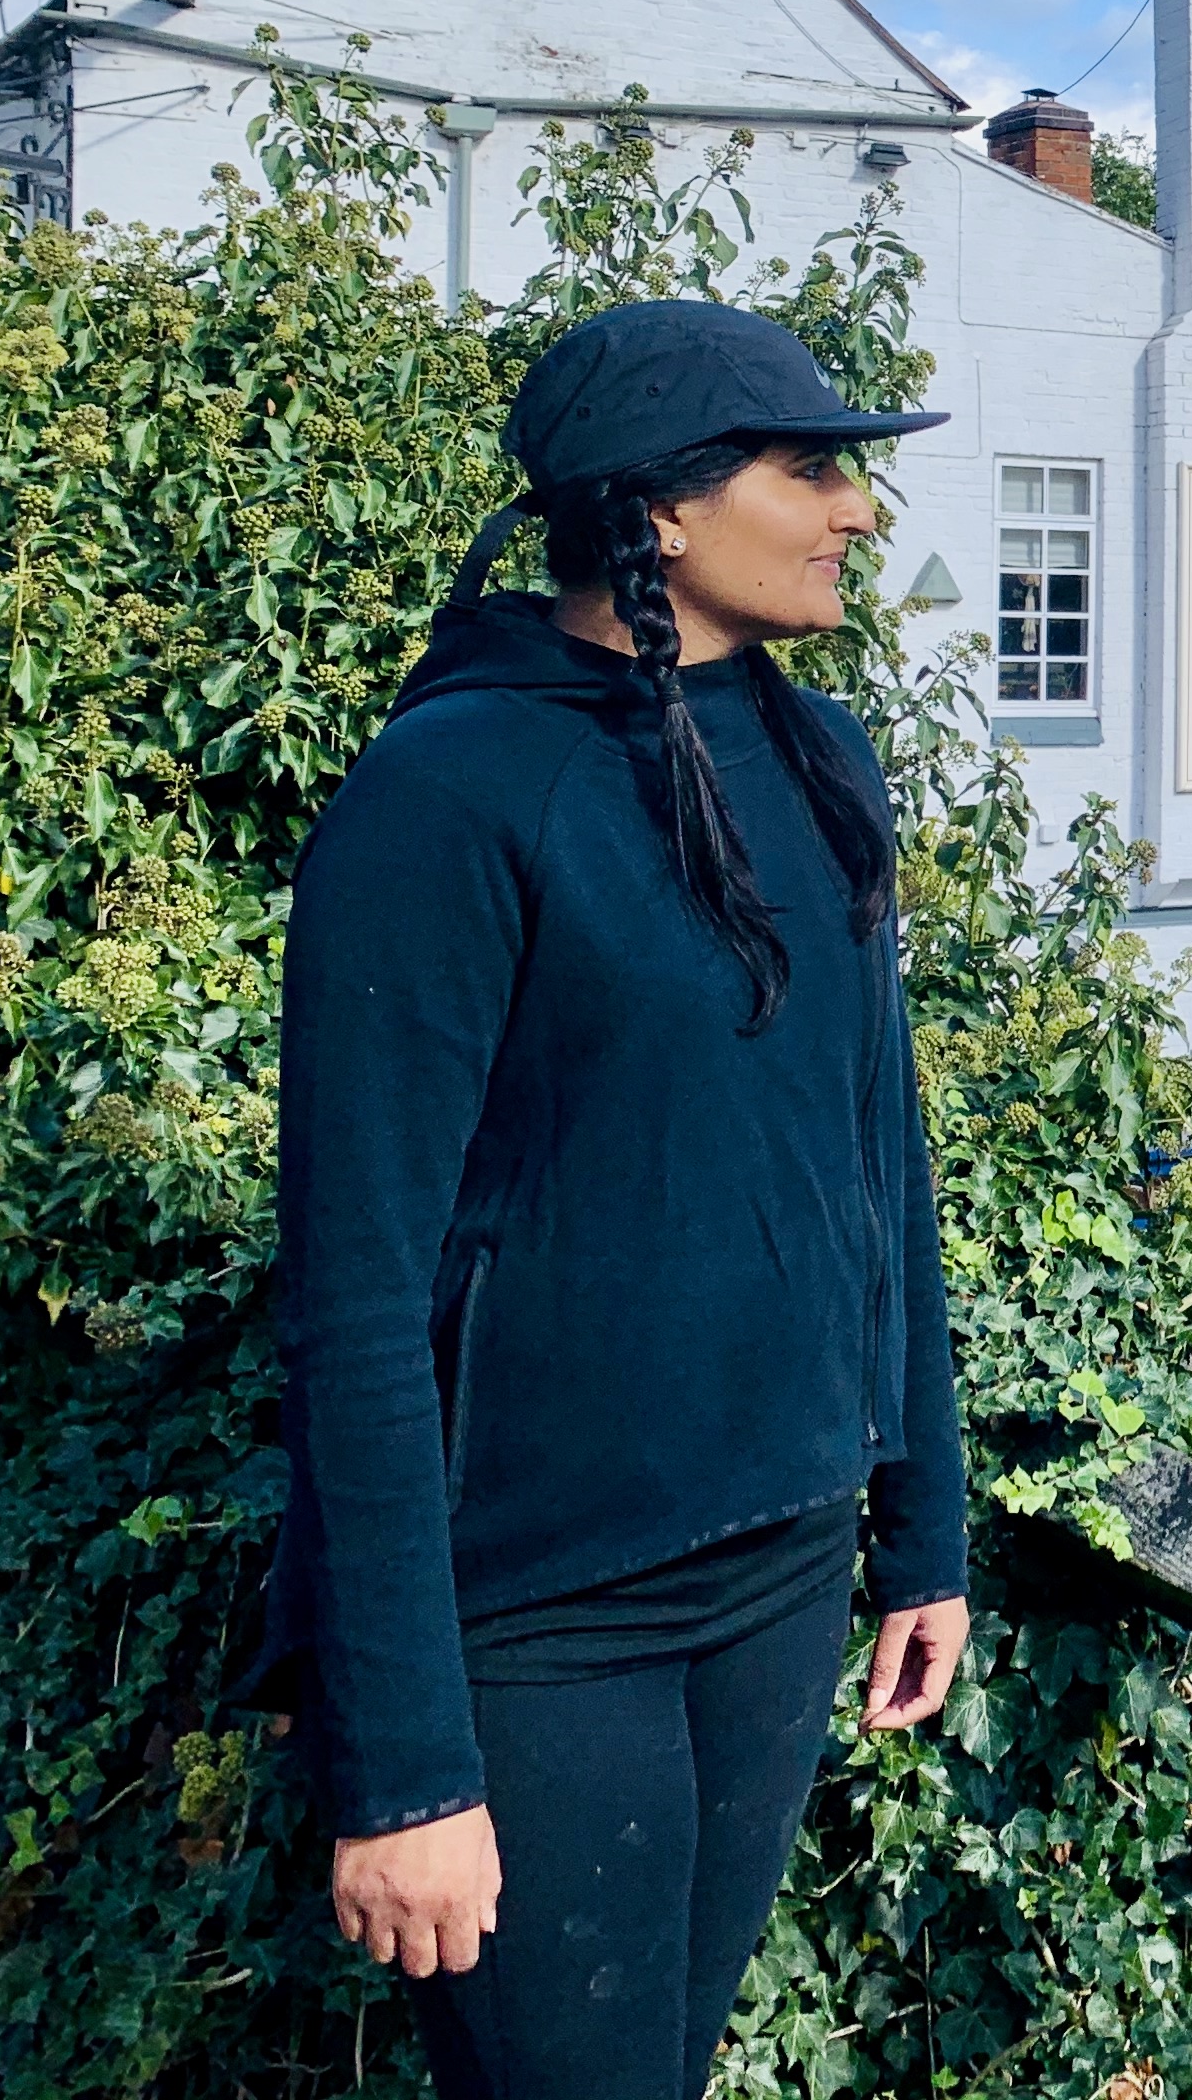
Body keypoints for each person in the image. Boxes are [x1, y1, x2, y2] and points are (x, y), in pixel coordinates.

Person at [255, 301, 969, 2100]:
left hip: (782, 1575)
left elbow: (880, 1160)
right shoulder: (455, 792)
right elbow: (352, 1293)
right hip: (538, 1616)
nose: (855, 509)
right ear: (658, 511)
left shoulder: (822, 764)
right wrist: (402, 1762)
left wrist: (925, 1522)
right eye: (810, 469)